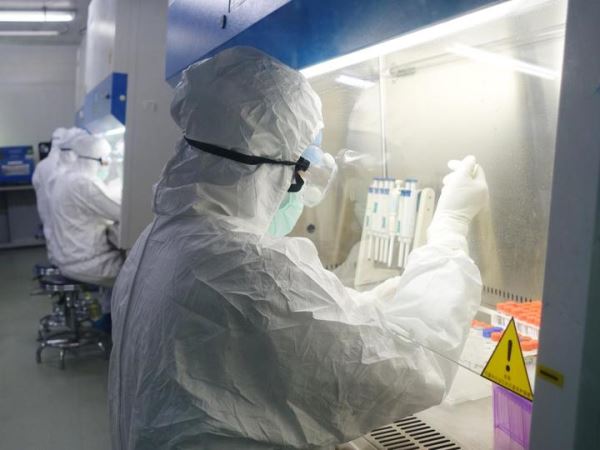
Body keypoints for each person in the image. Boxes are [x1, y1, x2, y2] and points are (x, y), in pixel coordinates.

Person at [109, 47, 489, 450]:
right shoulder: (241, 269)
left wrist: (365, 306)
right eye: (300, 169)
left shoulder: (161, 240)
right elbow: (413, 369)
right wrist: (451, 227)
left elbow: (276, 336)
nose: (301, 189)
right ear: (270, 171)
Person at [51, 134, 123, 286]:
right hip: (87, 264)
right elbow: (120, 212)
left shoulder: (66, 177)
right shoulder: (83, 183)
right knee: (141, 271)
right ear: (95, 161)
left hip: (69, 259)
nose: (107, 166)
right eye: (105, 161)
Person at [32, 127, 68, 263]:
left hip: (46, 212)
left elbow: (35, 183)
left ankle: (55, 264)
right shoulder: (69, 163)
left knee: (51, 238)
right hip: (64, 214)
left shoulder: (41, 165)